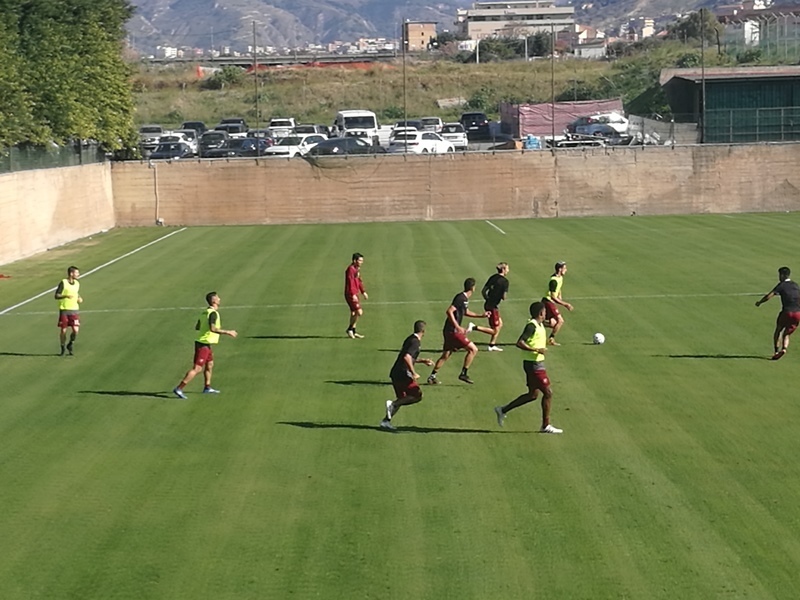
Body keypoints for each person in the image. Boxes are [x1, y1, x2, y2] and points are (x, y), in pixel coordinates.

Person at [494, 301, 562, 434]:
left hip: (536, 363)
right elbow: (519, 342)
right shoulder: (531, 326)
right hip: (533, 365)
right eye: (544, 311)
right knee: (548, 393)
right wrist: (536, 350)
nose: (546, 313)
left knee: (532, 395)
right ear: (541, 313)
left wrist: (552, 324)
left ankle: (502, 410)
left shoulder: (539, 324)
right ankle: (545, 425)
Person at [173, 292, 238, 399]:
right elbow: (212, 328)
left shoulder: (205, 312)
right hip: (203, 344)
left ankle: (207, 387)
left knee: (210, 364)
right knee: (197, 368)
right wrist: (228, 332)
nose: (220, 299)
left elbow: (197, 327)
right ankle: (179, 388)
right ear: (213, 301)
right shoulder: (213, 314)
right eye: (218, 298)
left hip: (205, 343)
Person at [427, 278, 487, 385]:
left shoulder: (464, 299)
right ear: (473, 288)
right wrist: (457, 327)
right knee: (473, 349)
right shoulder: (460, 298)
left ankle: (432, 376)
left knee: (446, 355)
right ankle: (463, 373)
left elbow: (465, 312)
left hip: (449, 330)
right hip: (452, 331)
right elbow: (449, 311)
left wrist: (481, 315)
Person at [380, 320, 435, 430]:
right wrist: (413, 372)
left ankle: (385, 421)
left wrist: (422, 360)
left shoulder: (410, 338)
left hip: (396, 372)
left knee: (402, 398)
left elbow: (408, 356)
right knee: (417, 395)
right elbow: (407, 357)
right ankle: (393, 404)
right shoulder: (415, 342)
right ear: (423, 331)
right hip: (402, 373)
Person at [755, 266, 800, 360]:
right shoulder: (795, 285)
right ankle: (784, 349)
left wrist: (759, 302)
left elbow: (769, 296)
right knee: (787, 334)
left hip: (787, 312)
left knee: (778, 330)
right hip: (797, 313)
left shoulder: (781, 285)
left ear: (783, 275)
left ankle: (776, 351)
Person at [471, 262, 510, 351]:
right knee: (495, 330)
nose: (508, 270)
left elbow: (484, 291)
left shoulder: (493, 277)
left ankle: (492, 345)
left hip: (488, 304)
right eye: (507, 268)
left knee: (500, 324)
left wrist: (488, 299)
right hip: (493, 307)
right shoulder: (505, 282)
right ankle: (474, 327)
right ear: (503, 270)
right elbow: (504, 297)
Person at [542, 261, 573, 346]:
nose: (566, 270)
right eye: (565, 268)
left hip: (550, 302)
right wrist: (565, 304)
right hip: (548, 302)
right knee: (560, 321)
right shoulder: (553, 281)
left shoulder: (560, 278)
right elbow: (552, 297)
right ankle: (551, 339)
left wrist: (560, 295)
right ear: (560, 269)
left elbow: (558, 289)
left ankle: (539, 323)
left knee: (553, 324)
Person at [54, 265, 82, 356]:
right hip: (64, 309)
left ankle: (70, 344)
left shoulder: (77, 283)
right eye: (76, 273)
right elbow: (56, 295)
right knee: (63, 330)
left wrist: (79, 298)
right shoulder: (63, 283)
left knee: (75, 330)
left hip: (74, 309)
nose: (78, 274)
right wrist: (65, 296)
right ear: (71, 273)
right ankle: (62, 347)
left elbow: (76, 293)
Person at [345, 252, 368, 339]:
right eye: (360, 260)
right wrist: (353, 294)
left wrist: (363, 292)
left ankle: (353, 331)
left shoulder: (356, 269)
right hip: (351, 294)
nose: (362, 262)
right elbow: (351, 283)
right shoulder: (351, 270)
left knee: (354, 312)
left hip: (354, 293)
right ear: (355, 260)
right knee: (359, 312)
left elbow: (359, 281)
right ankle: (350, 329)